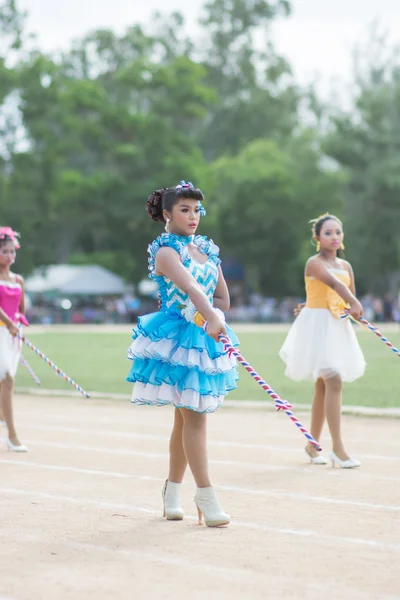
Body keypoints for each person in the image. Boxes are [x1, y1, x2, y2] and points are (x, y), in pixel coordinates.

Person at [126, 181, 238, 527]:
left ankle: (172, 492)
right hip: (175, 339)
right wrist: (201, 313)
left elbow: (223, 299)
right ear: (167, 214)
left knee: (186, 417)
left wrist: (212, 317)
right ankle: (205, 495)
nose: (192, 217)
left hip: (203, 337)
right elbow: (189, 286)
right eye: (185, 210)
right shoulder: (166, 251)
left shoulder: (207, 248)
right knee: (195, 416)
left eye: (196, 210)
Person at [279, 214, 365, 469]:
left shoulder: (347, 265)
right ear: (317, 237)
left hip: (336, 325)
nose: (334, 237)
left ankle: (311, 444)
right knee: (334, 380)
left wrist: (350, 305)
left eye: (338, 232)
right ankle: (337, 448)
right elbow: (334, 284)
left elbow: (342, 294)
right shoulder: (314, 262)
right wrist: (355, 303)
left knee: (322, 385)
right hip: (316, 327)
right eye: (328, 233)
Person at [0, 227, 29, 452]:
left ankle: (3, 417)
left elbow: (20, 311)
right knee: (7, 379)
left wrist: (17, 326)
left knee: (6, 381)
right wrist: (8, 324)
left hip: (12, 336)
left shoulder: (18, 279)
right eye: (4, 251)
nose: (10, 256)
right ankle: (12, 435)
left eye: (12, 251)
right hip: (1, 331)